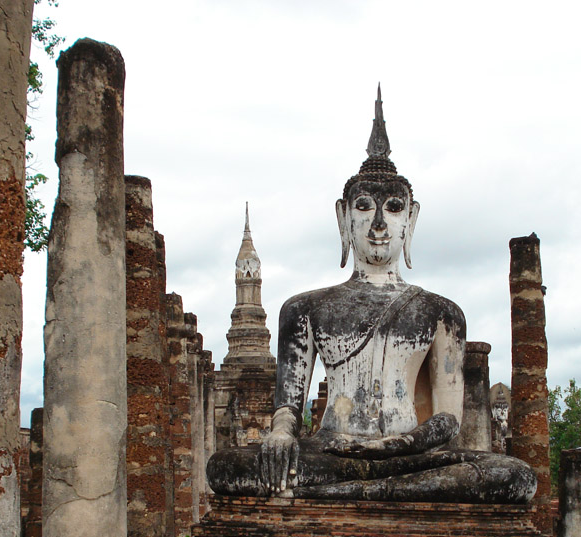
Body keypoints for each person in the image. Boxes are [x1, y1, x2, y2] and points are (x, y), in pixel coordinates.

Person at [207, 88, 536, 504]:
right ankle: (375, 491)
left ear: (410, 219)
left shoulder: (442, 313)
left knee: (513, 476)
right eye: (365, 207)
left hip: (409, 453)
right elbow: (288, 408)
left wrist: (392, 447)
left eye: (394, 208)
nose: (379, 224)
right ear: (344, 217)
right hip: (330, 451)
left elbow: (449, 420)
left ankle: (353, 492)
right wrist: (279, 434)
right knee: (225, 468)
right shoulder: (305, 309)